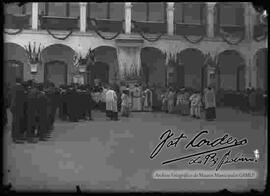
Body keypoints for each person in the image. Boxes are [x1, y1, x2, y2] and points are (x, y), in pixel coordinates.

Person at [10, 78, 27, 143]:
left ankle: (14, 136)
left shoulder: (12, 87)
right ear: (20, 81)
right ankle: (16, 138)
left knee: (14, 121)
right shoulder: (20, 87)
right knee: (17, 122)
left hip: (13, 106)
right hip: (18, 106)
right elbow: (23, 98)